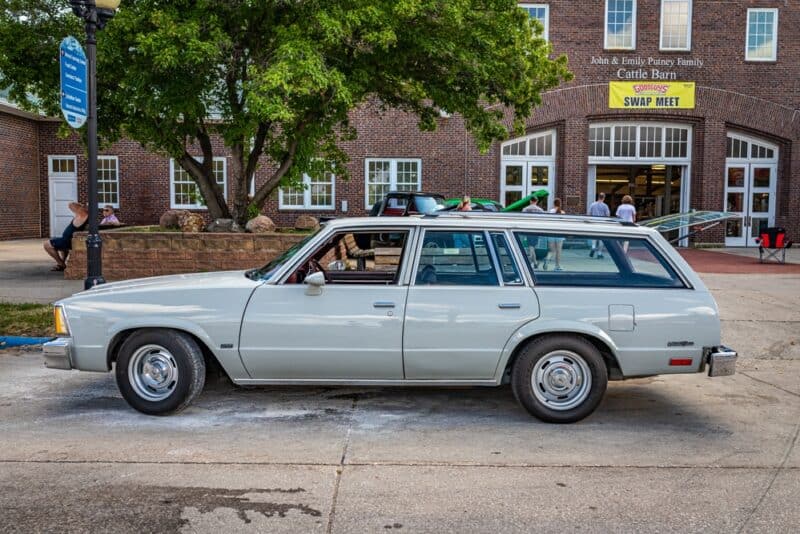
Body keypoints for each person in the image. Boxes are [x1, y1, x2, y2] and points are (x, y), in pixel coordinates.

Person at [43, 202, 88, 271]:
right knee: (62, 246)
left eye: (83, 207)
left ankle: (61, 264)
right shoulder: (78, 215)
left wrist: (80, 206)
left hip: (70, 241)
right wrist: (80, 206)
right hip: (66, 239)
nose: (73, 209)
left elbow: (72, 205)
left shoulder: (84, 216)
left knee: (47, 244)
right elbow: (71, 205)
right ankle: (62, 263)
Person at [545, 198, 566, 271]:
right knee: (558, 251)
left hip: (551, 233)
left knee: (551, 251)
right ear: (560, 204)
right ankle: (557, 266)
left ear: (554, 204)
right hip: (559, 233)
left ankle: (547, 259)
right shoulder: (562, 212)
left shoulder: (550, 211)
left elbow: (548, 222)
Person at [587, 192, 610, 258]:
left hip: (594, 223)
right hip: (602, 224)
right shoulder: (605, 206)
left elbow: (589, 214)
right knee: (601, 239)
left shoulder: (592, 205)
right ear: (604, 198)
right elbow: (607, 215)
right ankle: (599, 253)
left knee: (594, 236)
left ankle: (593, 247)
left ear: (598, 197)